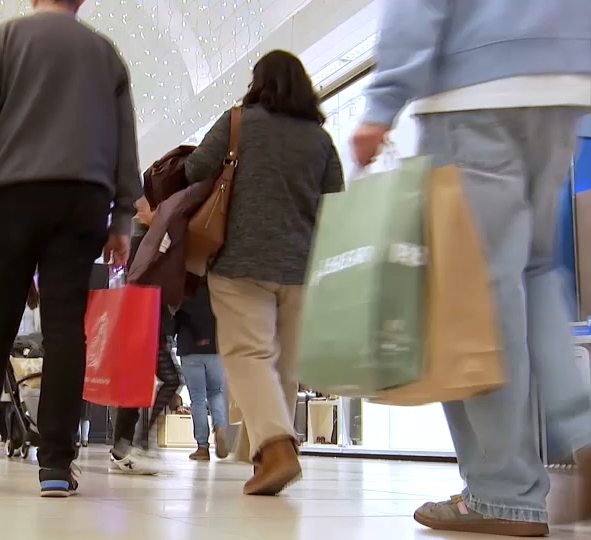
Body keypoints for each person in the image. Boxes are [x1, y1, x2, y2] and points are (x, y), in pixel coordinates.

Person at [350, 1, 591, 535]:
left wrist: (382, 103)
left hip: (473, 96)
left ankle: (503, 493)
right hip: (563, 88)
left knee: (472, 296)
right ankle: (586, 429)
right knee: (535, 274)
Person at [0, 0, 140, 497]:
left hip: (13, 191)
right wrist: (121, 218)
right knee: (64, 329)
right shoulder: (106, 54)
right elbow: (126, 142)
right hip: (84, 197)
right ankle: (56, 463)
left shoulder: (4, 38)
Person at [184, 50, 344, 496]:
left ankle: (275, 449)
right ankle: (266, 456)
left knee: (248, 355)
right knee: (284, 365)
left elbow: (196, 168)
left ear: (258, 84)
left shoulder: (239, 121)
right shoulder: (320, 140)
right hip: (300, 265)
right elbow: (334, 201)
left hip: (240, 260)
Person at [109, 197, 182, 476]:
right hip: (147, 322)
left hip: (144, 322)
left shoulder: (141, 239)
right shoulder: (144, 241)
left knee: (137, 384)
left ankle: (126, 444)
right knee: (168, 379)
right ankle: (140, 441)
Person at [175, 278, 229, 461]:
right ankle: (220, 427)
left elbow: (175, 320)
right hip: (215, 349)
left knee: (197, 398)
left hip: (190, 350)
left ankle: (202, 447)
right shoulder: (218, 290)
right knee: (216, 393)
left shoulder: (184, 290)